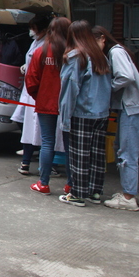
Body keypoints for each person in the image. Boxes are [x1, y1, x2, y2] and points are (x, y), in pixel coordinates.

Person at [93, 26, 139, 212]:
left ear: (102, 38)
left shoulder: (115, 52)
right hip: (132, 107)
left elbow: (126, 76)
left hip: (132, 107)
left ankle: (128, 197)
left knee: (127, 152)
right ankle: (132, 192)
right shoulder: (118, 51)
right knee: (123, 148)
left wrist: (107, 88)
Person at [58, 20, 112, 207]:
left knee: (79, 154)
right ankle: (95, 192)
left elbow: (70, 89)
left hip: (82, 112)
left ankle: (77, 194)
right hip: (101, 112)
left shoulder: (76, 56)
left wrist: (65, 116)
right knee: (97, 153)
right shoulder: (100, 56)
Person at [25, 16, 71, 195]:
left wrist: (39, 96)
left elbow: (31, 79)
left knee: (47, 142)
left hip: (46, 102)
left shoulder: (41, 51)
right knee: (70, 144)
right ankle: (71, 185)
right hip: (69, 104)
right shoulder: (74, 52)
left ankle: (43, 183)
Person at [14, 12, 53, 175]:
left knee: (42, 132)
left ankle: (44, 166)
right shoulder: (36, 43)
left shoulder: (47, 46)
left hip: (38, 92)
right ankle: (28, 160)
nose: (31, 31)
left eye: (34, 28)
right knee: (27, 125)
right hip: (31, 90)